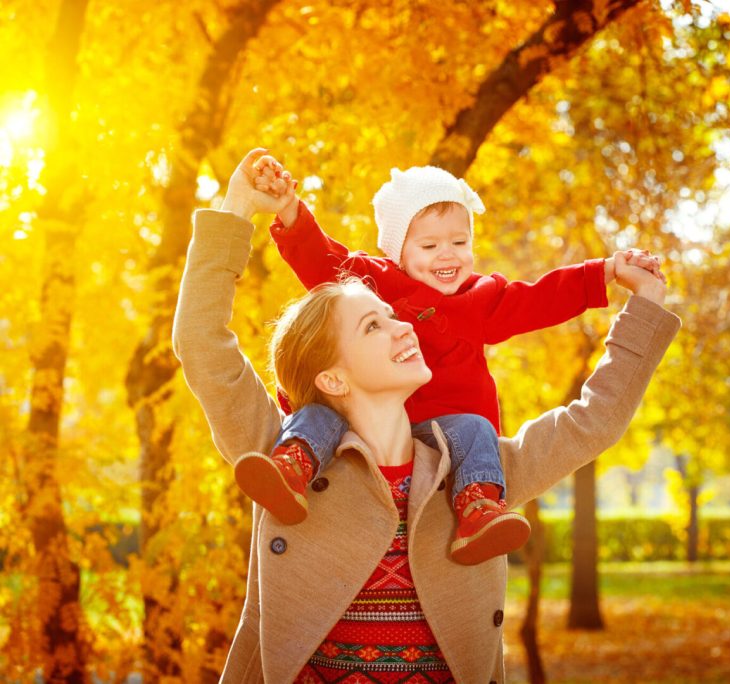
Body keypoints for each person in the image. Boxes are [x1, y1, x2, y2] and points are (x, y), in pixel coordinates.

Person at [172, 149, 679, 682]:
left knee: (476, 434)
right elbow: (202, 342)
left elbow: (594, 419)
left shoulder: (474, 477)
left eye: (394, 317)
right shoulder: (278, 458)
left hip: (468, 489)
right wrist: (238, 207)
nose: (407, 326)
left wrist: (641, 301)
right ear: (332, 377)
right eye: (373, 325)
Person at [234, 154, 663, 568]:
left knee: (478, 429)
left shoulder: (481, 300)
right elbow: (322, 260)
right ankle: (291, 467)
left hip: (449, 438)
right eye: (430, 244)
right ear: (398, 252)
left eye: (460, 242)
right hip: (373, 430)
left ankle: (477, 506)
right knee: (318, 412)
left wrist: (605, 271)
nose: (448, 255)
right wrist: (290, 210)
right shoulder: (374, 283)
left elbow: (540, 298)